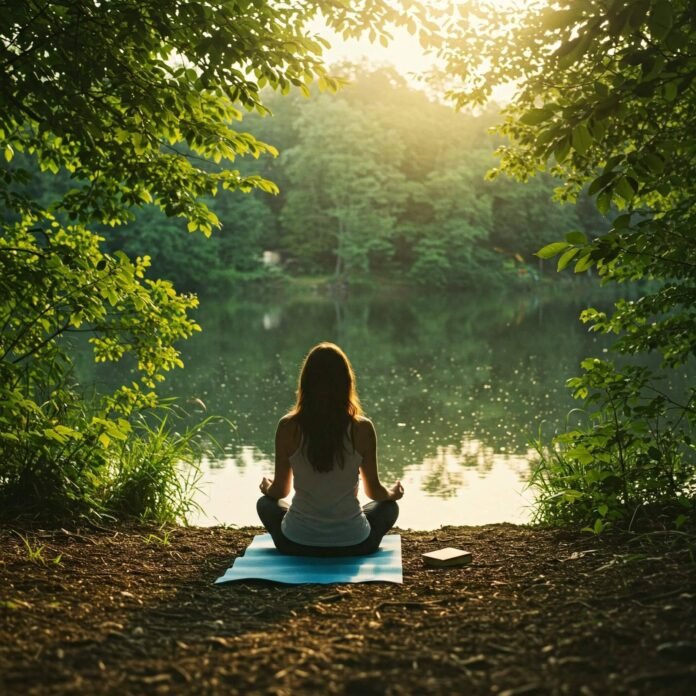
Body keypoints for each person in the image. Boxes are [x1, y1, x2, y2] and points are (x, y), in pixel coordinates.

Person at [257, 342, 404, 556]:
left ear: (306, 384)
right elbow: (373, 491)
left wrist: (267, 488)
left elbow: (281, 492)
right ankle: (343, 527)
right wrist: (392, 493)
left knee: (265, 504)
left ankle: (307, 526)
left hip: (296, 543)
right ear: (346, 383)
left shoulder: (288, 426)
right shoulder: (362, 428)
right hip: (355, 544)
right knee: (389, 508)